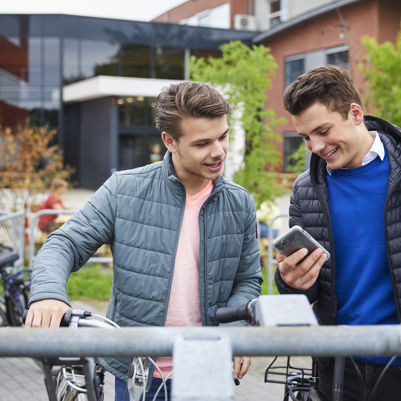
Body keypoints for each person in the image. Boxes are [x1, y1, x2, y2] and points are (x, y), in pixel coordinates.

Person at [26, 81, 262, 401]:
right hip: (139, 374)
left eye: (222, 136)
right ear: (170, 141)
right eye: (203, 142)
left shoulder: (241, 202)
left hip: (210, 370)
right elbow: (62, 244)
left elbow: (247, 280)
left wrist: (236, 332)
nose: (218, 150)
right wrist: (49, 295)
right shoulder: (124, 189)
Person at [274, 65, 401, 401]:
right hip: (338, 366)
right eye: (305, 137)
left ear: (355, 113)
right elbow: (309, 292)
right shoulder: (306, 190)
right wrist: (291, 281)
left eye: (323, 130)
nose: (314, 146)